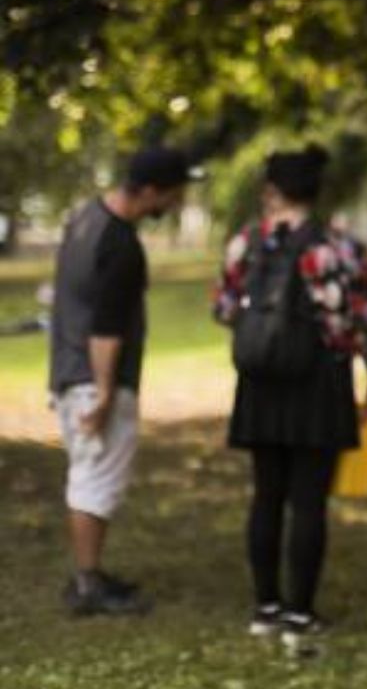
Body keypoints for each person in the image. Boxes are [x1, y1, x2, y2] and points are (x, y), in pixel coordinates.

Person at [213, 145, 367, 653]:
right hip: (320, 383)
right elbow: (358, 322)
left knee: (266, 495)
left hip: (260, 382)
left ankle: (265, 607)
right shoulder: (340, 248)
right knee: (308, 502)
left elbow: (224, 309)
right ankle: (299, 613)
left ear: (272, 191)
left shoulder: (245, 243)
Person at [49, 146, 192, 616]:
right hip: (94, 377)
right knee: (94, 480)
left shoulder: (83, 220)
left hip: (67, 371)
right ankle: (88, 583)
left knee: (90, 474)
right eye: (171, 197)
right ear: (149, 191)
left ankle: (90, 573)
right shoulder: (122, 246)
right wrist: (106, 390)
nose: (173, 205)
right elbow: (107, 327)